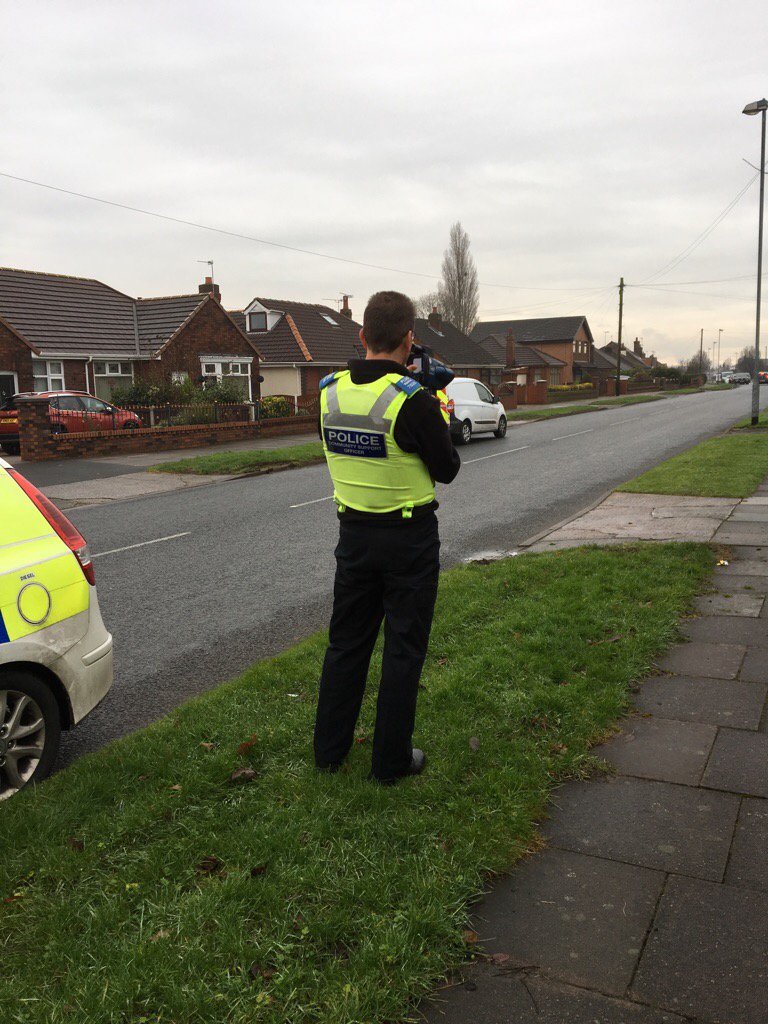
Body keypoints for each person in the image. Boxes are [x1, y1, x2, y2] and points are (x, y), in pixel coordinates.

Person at [313, 290, 461, 785]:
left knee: (346, 645)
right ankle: (390, 762)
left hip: (352, 535)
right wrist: (439, 412)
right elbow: (448, 469)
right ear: (409, 339)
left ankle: (329, 753)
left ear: (363, 335)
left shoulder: (328, 390)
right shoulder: (414, 400)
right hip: (409, 539)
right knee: (403, 649)